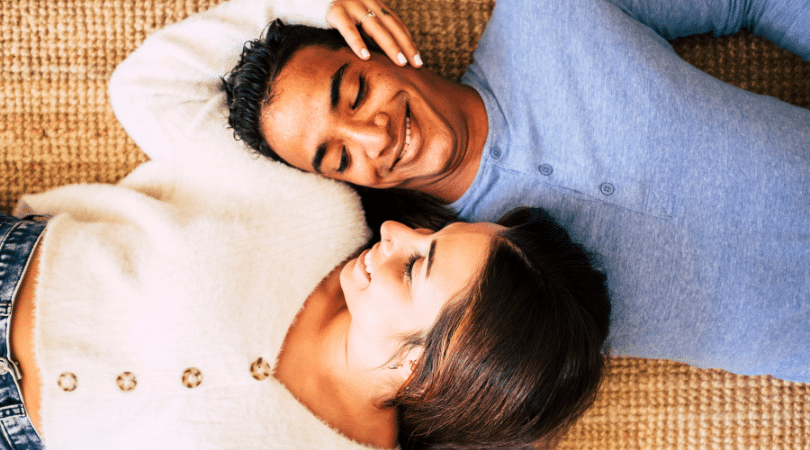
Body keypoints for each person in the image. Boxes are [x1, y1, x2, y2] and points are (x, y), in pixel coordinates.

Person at [113, 0, 810, 384]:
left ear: (376, 42)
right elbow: (149, 94)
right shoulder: (427, 279)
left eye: (353, 91)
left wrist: (304, 3)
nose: (372, 137)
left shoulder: (549, 18)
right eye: (334, 155)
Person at [2, 79, 611, 450]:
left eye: (414, 267)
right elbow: (159, 89)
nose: (396, 231)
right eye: (430, 233)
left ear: (421, 368)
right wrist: (323, 9)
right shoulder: (315, 208)